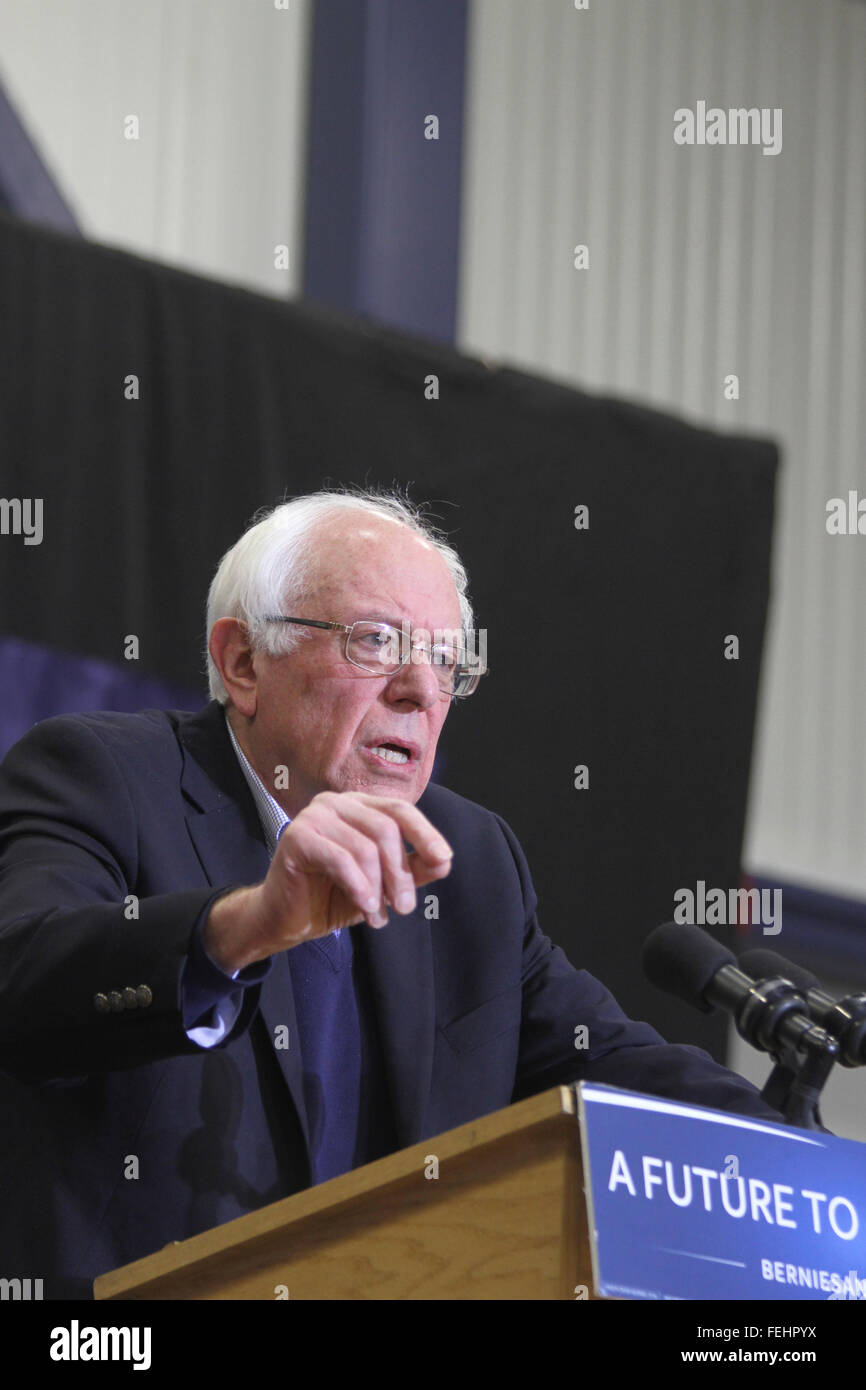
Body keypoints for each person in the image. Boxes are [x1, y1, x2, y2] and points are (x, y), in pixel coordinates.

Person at [0, 489, 782, 1300]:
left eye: (447, 660)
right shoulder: (106, 778)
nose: (420, 689)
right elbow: (23, 982)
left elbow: (617, 1066)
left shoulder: (468, 864)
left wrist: (812, 1176)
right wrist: (242, 927)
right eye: (376, 641)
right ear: (242, 662)